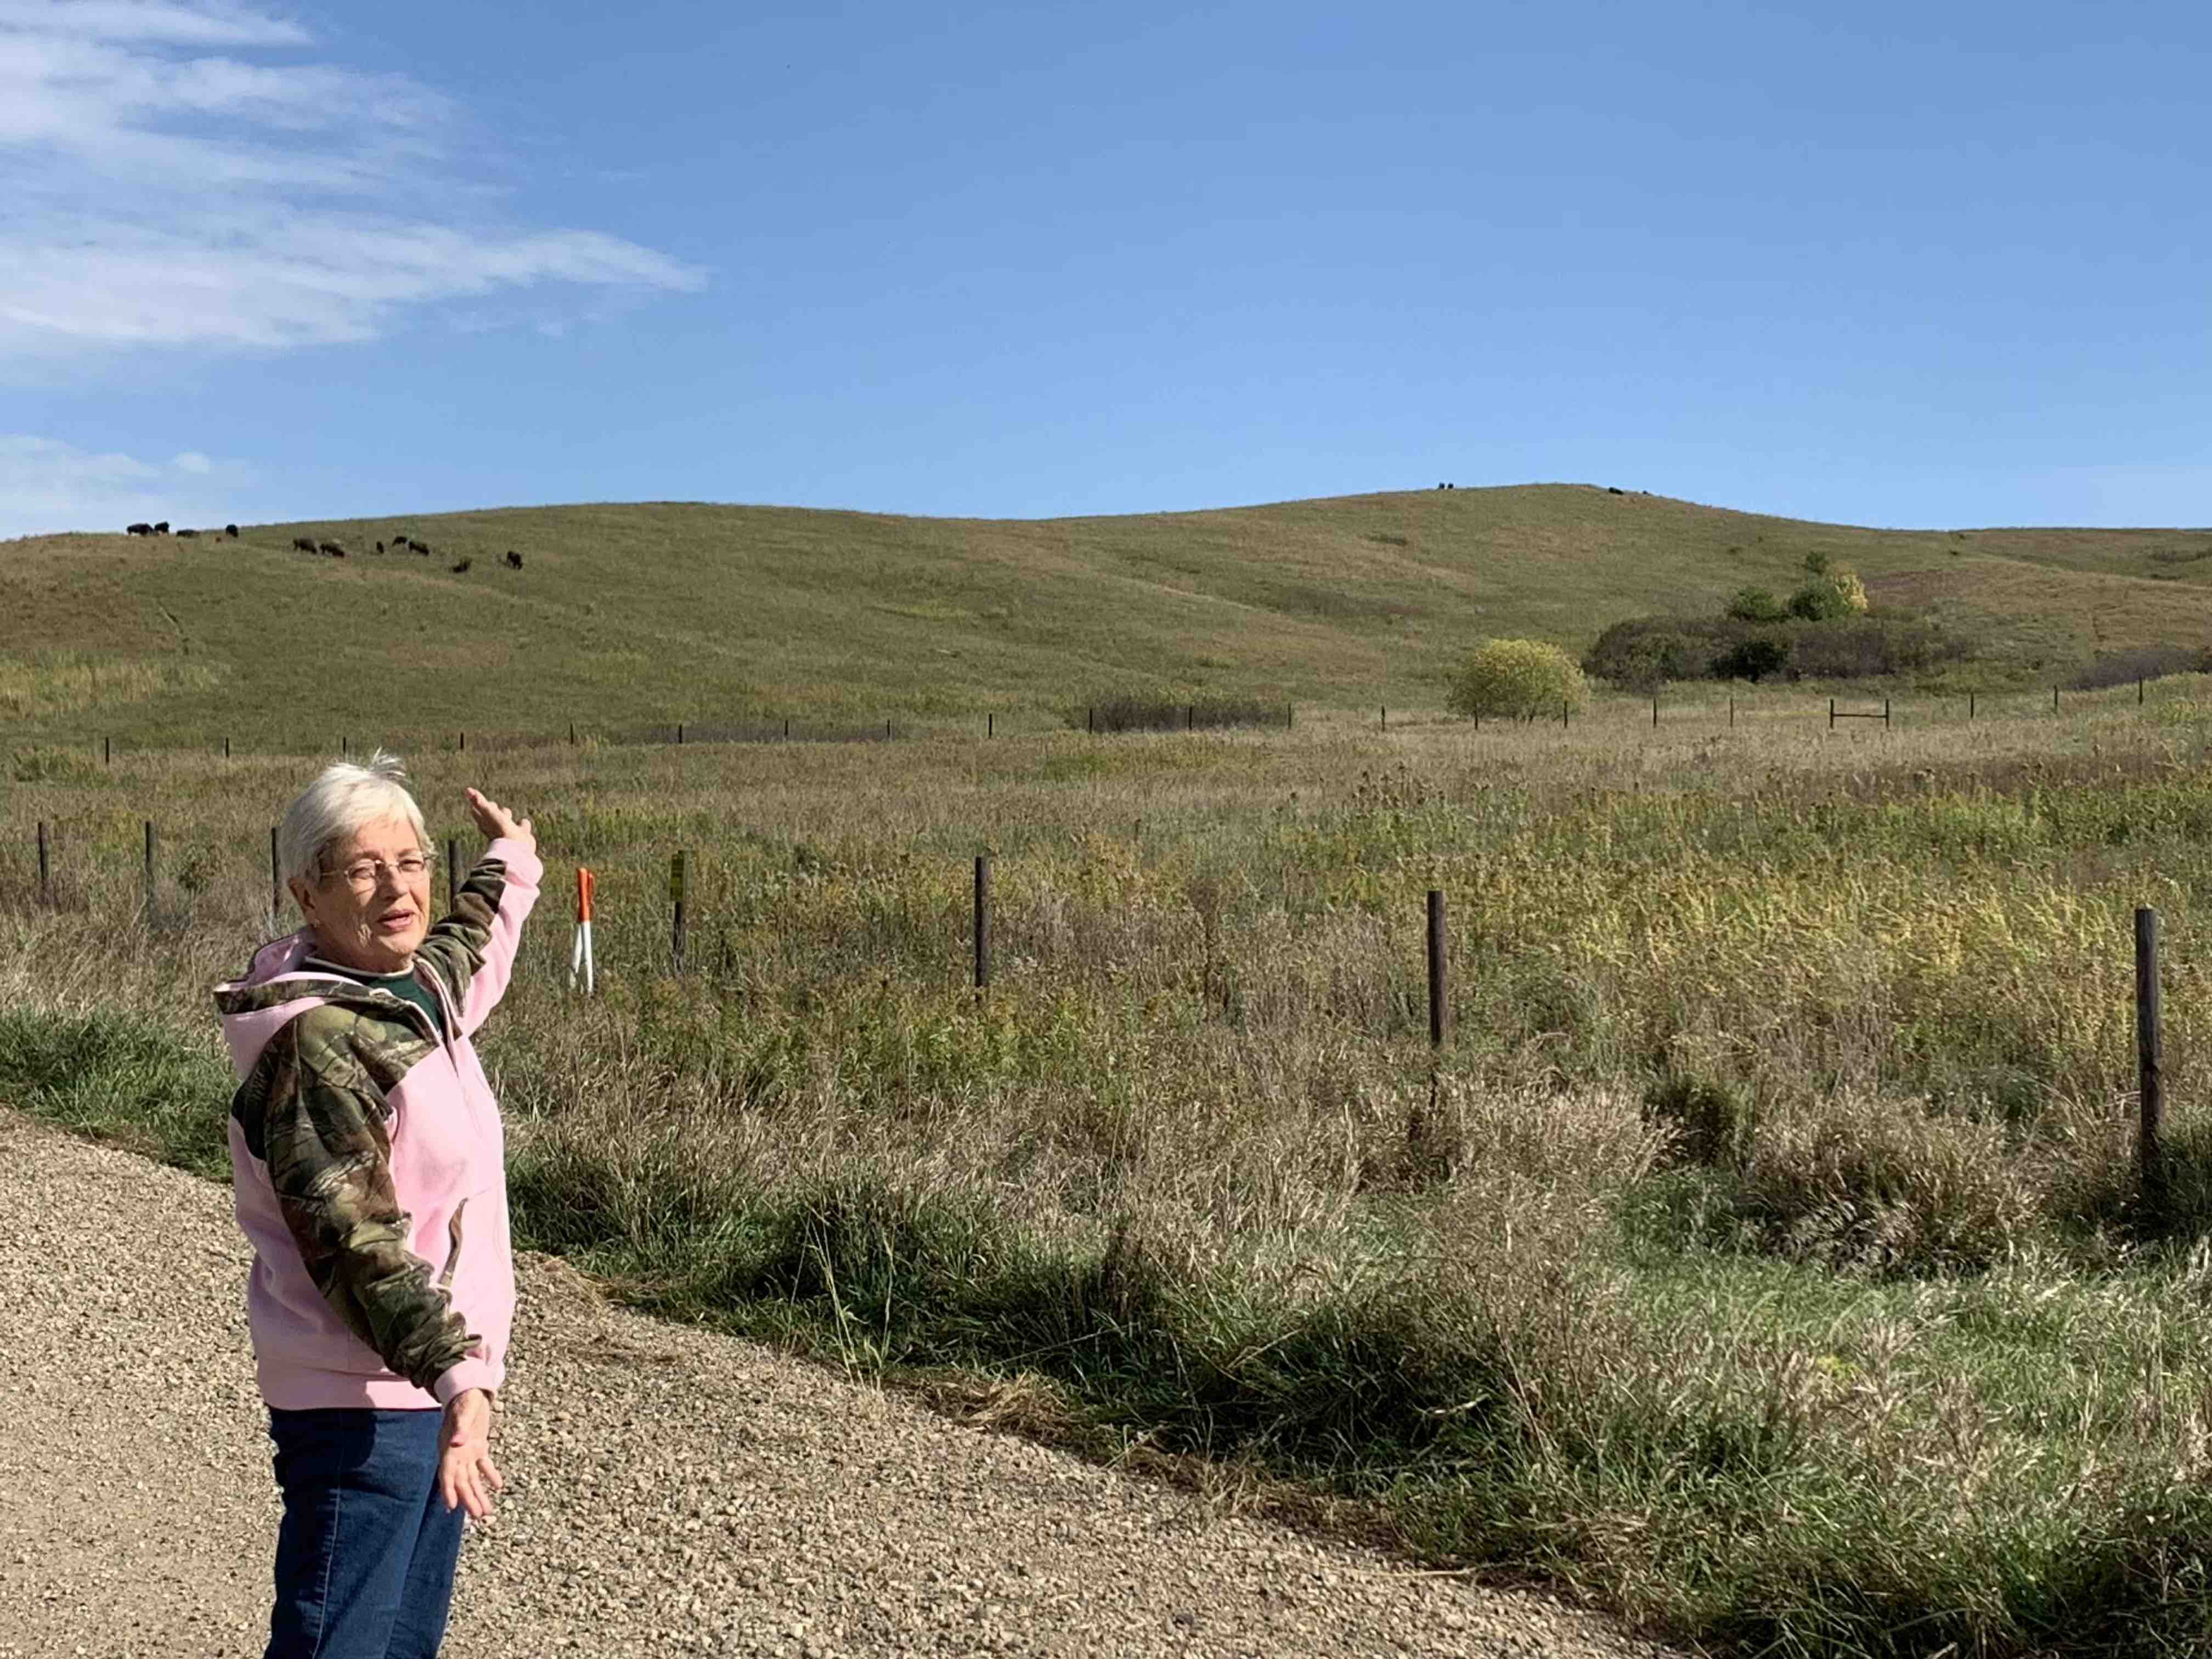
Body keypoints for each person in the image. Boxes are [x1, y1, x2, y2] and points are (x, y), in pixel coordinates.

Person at [215, 752, 540, 1658]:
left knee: (399, 1646)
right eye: (362, 870)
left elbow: (464, 953)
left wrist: (510, 863)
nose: (397, 888)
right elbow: (359, 1244)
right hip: (359, 1402)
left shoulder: (405, 996)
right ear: (307, 894)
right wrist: (458, 1375)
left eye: (411, 861)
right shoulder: (320, 1046)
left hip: (426, 1384)